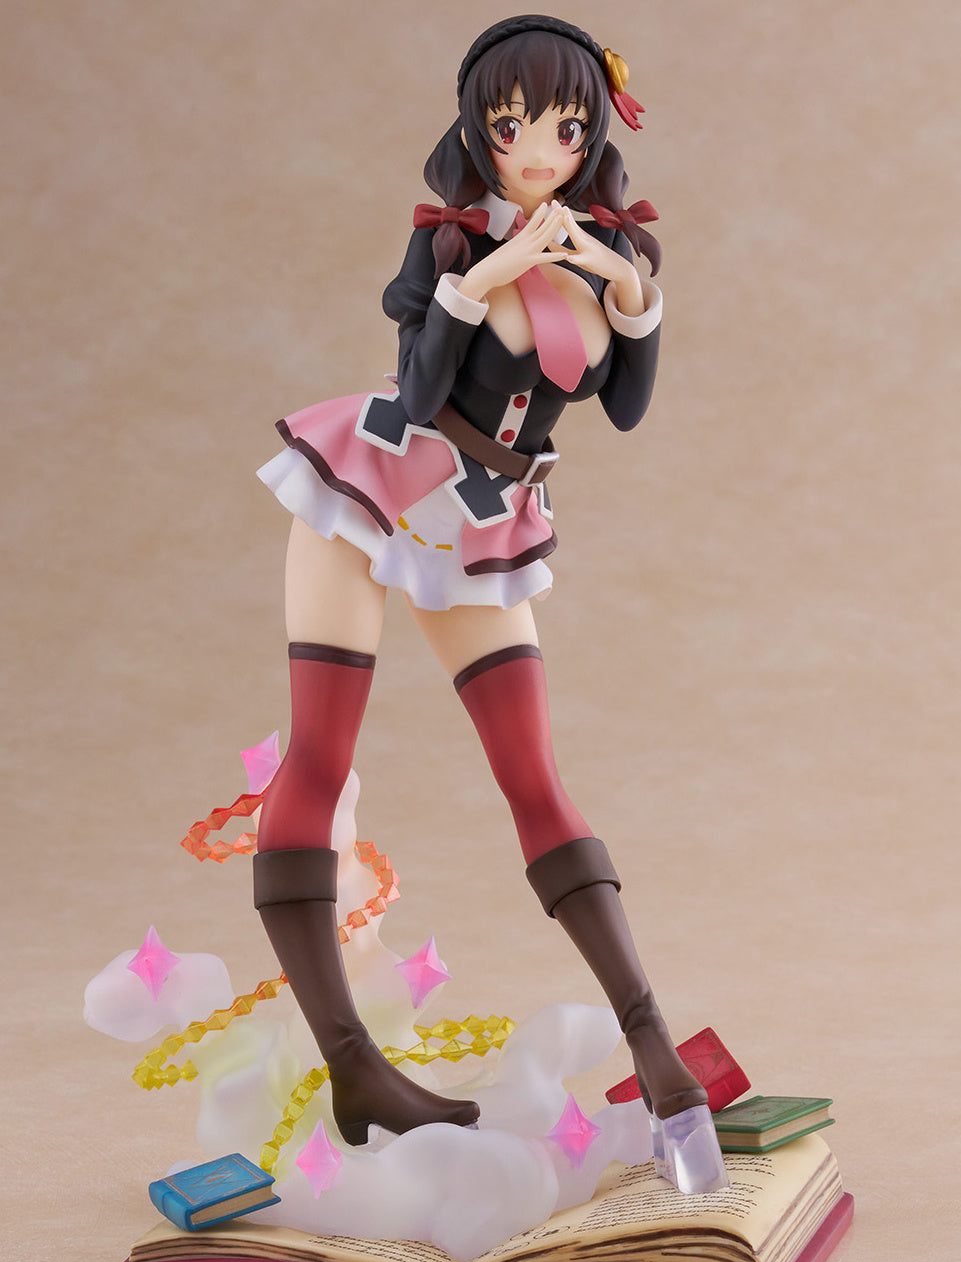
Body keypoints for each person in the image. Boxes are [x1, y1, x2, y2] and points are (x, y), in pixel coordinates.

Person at [253, 14, 725, 1190]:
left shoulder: (608, 249)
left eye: (561, 126)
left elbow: (624, 407)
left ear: (592, 131)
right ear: (478, 128)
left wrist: (629, 291)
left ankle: (654, 1048)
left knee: (535, 775)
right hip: (375, 484)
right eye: (509, 125)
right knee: (320, 754)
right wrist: (483, 278)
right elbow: (418, 395)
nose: (534, 149)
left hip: (482, 516)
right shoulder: (449, 240)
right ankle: (353, 1064)